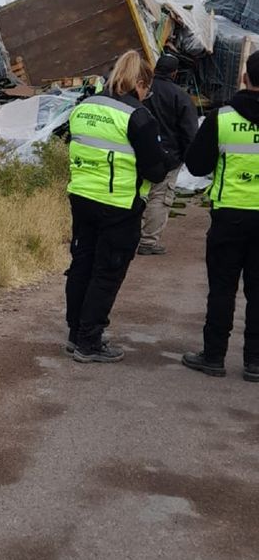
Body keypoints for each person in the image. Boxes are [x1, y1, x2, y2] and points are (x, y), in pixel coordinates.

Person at [65, 49, 168, 363]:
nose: (146, 95)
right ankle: (90, 341)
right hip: (119, 204)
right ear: (139, 82)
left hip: (81, 197)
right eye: (145, 89)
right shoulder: (138, 116)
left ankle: (74, 333)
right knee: (107, 272)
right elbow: (155, 170)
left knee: (81, 265)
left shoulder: (83, 107)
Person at [181, 49, 259, 382]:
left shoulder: (222, 118)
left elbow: (197, 165)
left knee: (223, 289)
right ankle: (255, 363)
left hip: (230, 216)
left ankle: (213, 356)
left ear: (245, 78)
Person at [137, 52, 199, 255]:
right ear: (175, 73)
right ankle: (147, 241)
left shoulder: (141, 90)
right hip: (169, 157)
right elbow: (189, 131)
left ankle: (130, 235)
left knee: (135, 193)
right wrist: (190, 158)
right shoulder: (180, 96)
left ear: (155, 69)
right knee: (159, 197)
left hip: (137, 153)